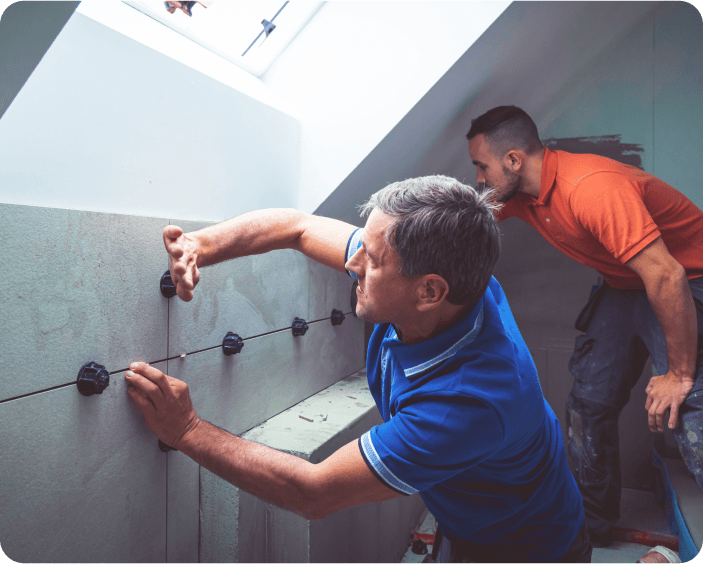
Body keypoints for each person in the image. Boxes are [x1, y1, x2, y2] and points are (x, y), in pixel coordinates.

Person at [125, 175, 591, 563]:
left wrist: (185, 429)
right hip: (472, 514)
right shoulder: (453, 284)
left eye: (372, 260)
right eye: (362, 246)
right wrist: (199, 245)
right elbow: (298, 227)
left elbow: (313, 492)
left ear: (429, 292)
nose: (351, 263)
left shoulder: (466, 404)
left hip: (527, 546)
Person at [467, 106, 703, 563]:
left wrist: (677, 372)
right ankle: (590, 526)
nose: (478, 177)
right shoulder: (521, 195)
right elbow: (459, 218)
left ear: (513, 160)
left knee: (689, 404)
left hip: (685, 279)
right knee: (589, 405)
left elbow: (666, 275)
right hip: (626, 284)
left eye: (482, 166)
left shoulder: (591, 188)